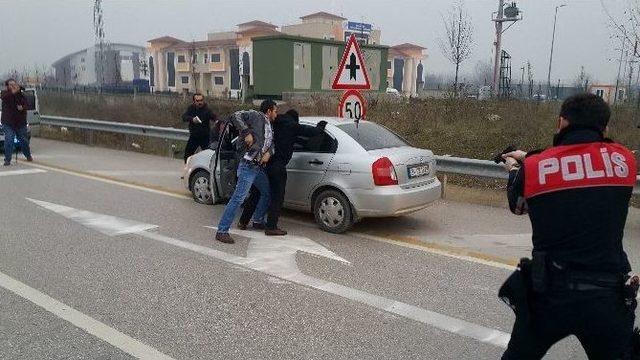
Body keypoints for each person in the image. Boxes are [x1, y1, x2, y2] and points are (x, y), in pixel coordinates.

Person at [499, 93, 638, 359]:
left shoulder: (535, 167)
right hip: (606, 297)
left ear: (562, 122)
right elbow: (584, 163)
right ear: (605, 127)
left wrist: (517, 168)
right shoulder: (624, 161)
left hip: (549, 295)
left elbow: (518, 206)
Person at [238, 109, 327, 236]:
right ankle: (271, 226)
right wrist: (322, 125)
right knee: (277, 197)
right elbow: (312, 132)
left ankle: (243, 221)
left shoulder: (273, 123)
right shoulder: (292, 125)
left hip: (264, 164)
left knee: (256, 193)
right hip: (278, 166)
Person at [215, 99, 277, 244]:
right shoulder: (256, 116)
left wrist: (270, 152)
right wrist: (246, 132)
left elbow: (270, 143)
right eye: (275, 111)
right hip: (247, 165)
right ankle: (222, 231)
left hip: (257, 167)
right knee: (238, 198)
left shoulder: (269, 125)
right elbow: (235, 115)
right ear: (268, 111)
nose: (276, 114)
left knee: (266, 191)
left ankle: (257, 220)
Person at [1, 79, 32, 166]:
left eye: (14, 84)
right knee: (9, 139)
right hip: (8, 122)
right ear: (7, 86)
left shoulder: (21, 95)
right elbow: (5, 98)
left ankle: (28, 155)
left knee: (24, 140)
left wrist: (23, 107)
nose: (13, 86)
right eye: (11, 85)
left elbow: (27, 104)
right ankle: (7, 159)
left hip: (20, 122)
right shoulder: (4, 94)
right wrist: (13, 92)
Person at [182, 93, 216, 163]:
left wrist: (218, 122)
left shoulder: (207, 109)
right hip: (194, 136)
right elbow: (184, 117)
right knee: (187, 154)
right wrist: (192, 119)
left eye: (201, 100)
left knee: (209, 155)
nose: (200, 102)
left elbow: (214, 118)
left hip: (205, 137)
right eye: (197, 101)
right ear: (194, 101)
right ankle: (187, 169)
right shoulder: (191, 108)